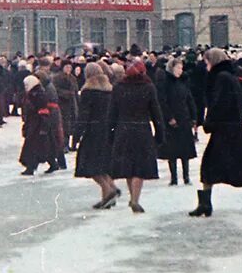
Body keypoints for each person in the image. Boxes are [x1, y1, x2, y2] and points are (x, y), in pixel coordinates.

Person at [189, 48, 242, 217]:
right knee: (219, 165)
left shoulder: (221, 77)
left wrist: (209, 122)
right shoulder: (228, 74)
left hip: (226, 129)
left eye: (207, 62)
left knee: (237, 165)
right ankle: (206, 203)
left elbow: (219, 103)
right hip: (230, 128)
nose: (205, 65)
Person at [107, 59, 165, 213]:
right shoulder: (148, 87)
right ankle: (135, 199)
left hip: (123, 130)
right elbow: (156, 112)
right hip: (142, 130)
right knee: (140, 167)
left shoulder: (118, 88)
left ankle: (133, 197)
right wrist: (160, 133)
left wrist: (109, 133)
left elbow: (112, 113)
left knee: (128, 166)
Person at [75, 62, 118, 208]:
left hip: (93, 132)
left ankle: (108, 190)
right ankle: (109, 192)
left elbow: (84, 115)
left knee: (89, 164)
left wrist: (76, 134)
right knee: (103, 164)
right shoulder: (109, 90)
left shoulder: (88, 91)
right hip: (108, 131)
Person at [159, 57, 198, 186]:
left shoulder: (184, 82)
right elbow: (163, 102)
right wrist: (169, 117)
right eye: (178, 68)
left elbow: (189, 99)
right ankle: (174, 177)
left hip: (184, 117)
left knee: (185, 149)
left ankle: (186, 176)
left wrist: (193, 116)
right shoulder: (166, 82)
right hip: (172, 119)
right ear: (172, 68)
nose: (180, 70)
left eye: (181, 68)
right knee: (172, 150)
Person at [19, 75, 60, 175]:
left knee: (34, 146)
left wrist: (43, 126)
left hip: (38, 124)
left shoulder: (37, 94)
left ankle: (31, 167)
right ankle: (52, 164)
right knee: (44, 146)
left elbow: (43, 111)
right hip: (36, 123)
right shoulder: (35, 93)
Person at [52, 60, 80, 152]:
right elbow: (56, 90)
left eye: (70, 67)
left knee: (70, 124)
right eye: (66, 67)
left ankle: (69, 144)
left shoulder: (72, 78)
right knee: (64, 125)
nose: (68, 69)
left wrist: (77, 100)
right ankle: (63, 145)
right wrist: (67, 94)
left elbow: (75, 91)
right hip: (62, 104)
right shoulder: (57, 78)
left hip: (72, 104)